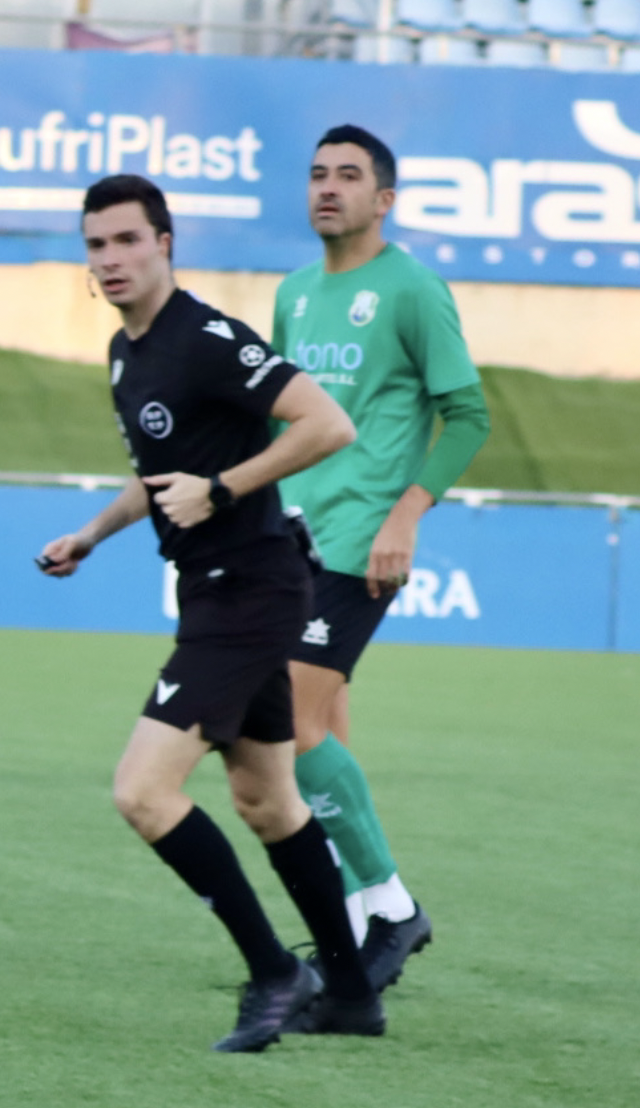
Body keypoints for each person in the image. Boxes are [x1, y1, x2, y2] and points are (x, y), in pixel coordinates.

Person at [35, 175, 375, 1053]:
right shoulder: (126, 353)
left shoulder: (208, 337)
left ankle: (273, 970)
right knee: (268, 800)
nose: (108, 259)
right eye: (94, 245)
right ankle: (348, 991)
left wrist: (223, 488)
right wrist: (94, 533)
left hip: (251, 591)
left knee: (143, 793)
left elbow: (327, 424)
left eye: (124, 241)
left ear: (164, 244)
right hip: (219, 589)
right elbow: (158, 476)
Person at [271, 124, 490, 990]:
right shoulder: (291, 294)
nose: (329, 187)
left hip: (363, 546)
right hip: (292, 540)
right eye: (318, 173)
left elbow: (467, 415)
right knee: (319, 731)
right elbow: (284, 418)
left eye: (349, 176)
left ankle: (389, 906)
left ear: (384, 198)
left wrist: (408, 513)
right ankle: (356, 931)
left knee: (288, 723)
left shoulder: (411, 289)